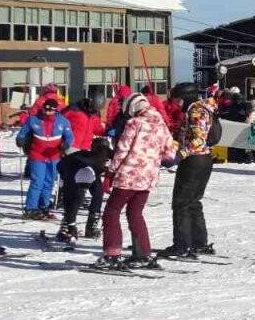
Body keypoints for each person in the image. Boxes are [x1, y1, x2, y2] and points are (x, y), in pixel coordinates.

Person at [94, 94, 176, 270]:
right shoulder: (161, 124)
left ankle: (112, 254)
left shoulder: (134, 123)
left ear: (131, 108)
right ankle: (143, 254)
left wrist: (110, 172)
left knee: (111, 212)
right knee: (135, 213)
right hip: (148, 177)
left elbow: (122, 151)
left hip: (129, 175)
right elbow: (170, 154)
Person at [160, 83, 218, 259]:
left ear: (185, 97)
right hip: (202, 160)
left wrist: (180, 154)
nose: (176, 103)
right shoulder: (201, 108)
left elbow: (198, 140)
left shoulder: (196, 111)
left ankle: (182, 245)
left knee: (181, 203)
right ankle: (199, 243)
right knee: (193, 202)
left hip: (194, 161)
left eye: (177, 99)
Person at [16, 98, 74, 220]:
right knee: (37, 181)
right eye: (45, 109)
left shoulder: (63, 122)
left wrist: (65, 145)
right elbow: (23, 132)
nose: (47, 113)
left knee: (49, 182)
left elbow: (69, 137)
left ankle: (44, 206)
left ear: (55, 110)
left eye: (50, 110)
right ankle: (30, 208)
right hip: (37, 155)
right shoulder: (33, 119)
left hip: (53, 156)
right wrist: (20, 139)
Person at [55, 137, 112, 242]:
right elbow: (73, 199)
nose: (105, 160)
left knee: (97, 193)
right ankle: (68, 225)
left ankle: (89, 226)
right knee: (74, 199)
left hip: (87, 172)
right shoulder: (77, 163)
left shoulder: (98, 156)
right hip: (72, 172)